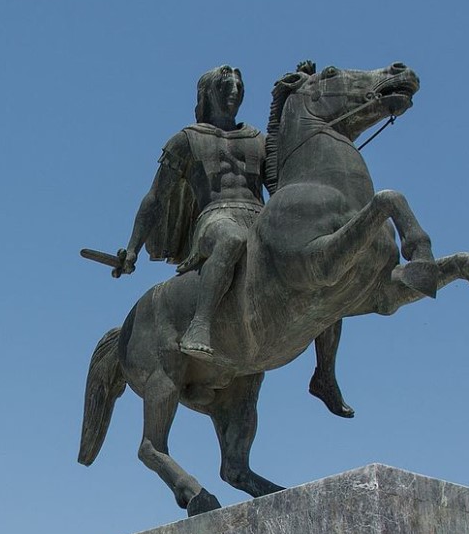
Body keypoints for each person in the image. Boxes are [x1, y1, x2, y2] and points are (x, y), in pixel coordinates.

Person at [118, 65, 353, 416]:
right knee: (231, 240)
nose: (234, 90)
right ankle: (200, 325)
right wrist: (133, 248)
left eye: (239, 85)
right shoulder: (186, 140)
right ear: (208, 93)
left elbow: (281, 176)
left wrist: (287, 96)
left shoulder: (257, 139)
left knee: (324, 269)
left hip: (259, 216)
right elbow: (156, 198)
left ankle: (325, 373)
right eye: (226, 84)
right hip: (216, 217)